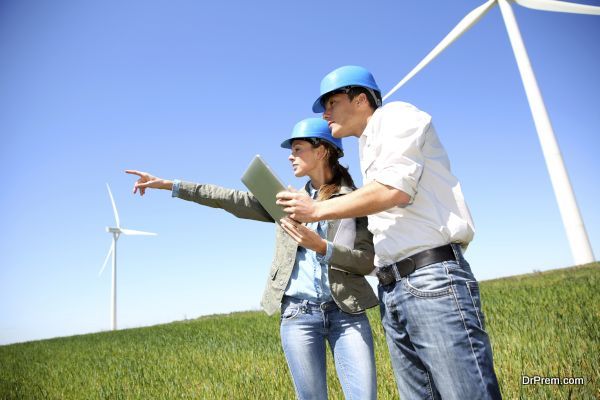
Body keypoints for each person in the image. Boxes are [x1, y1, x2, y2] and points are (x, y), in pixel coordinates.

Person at [276, 66, 502, 399]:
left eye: (331, 102)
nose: (325, 114)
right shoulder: (368, 146)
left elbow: (396, 190)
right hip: (395, 289)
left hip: (430, 279)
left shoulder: (396, 116)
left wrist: (317, 210)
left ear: (362, 99)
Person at [125, 118, 378, 400]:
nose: (290, 156)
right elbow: (228, 198)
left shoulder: (355, 200)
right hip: (298, 315)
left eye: (297, 148)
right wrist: (170, 185)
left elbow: (366, 261)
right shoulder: (284, 202)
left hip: (347, 313)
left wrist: (322, 247)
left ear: (321, 151)